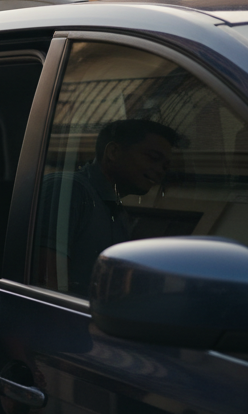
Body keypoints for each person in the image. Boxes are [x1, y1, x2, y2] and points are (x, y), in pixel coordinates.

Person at [35, 118, 180, 294]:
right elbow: (45, 286)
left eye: (165, 166)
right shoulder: (68, 190)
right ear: (113, 152)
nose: (160, 170)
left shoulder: (117, 214)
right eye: (153, 158)